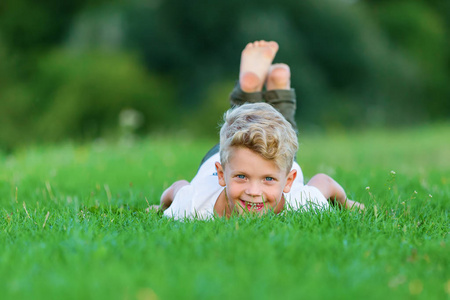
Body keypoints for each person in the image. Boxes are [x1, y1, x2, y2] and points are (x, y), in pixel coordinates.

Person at [159, 40, 365, 219]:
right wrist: (162, 206)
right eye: (241, 177)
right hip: (223, 152)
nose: (253, 191)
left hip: (236, 152)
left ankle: (253, 89)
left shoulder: (301, 202)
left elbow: (325, 182)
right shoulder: (192, 206)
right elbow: (179, 188)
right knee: (274, 131)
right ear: (221, 174)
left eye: (268, 179)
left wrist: (347, 205)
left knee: (278, 134)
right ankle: (277, 87)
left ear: (289, 181)